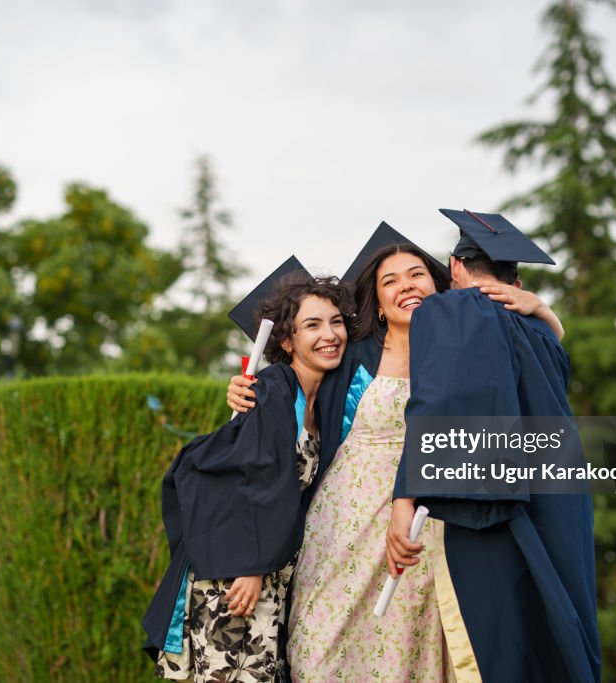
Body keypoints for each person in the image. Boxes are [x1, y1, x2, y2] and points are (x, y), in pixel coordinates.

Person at [227, 223, 564, 681]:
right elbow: (295, 373)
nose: (405, 285)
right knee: (318, 648)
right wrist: (247, 388)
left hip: (421, 527)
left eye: (416, 274)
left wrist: (542, 310)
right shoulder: (354, 353)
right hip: (342, 525)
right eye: (390, 281)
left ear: (439, 284)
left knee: (407, 655)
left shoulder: (465, 346)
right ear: (379, 303)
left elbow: (535, 368)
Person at [386, 209, 602, 683]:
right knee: (557, 621)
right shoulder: (540, 328)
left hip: (498, 500)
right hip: (561, 494)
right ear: (516, 280)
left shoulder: (450, 311)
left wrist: (405, 497)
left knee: (500, 638)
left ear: (454, 266)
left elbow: (439, 405)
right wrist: (542, 307)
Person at [142, 273, 353, 683]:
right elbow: (248, 482)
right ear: (287, 341)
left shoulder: (319, 404)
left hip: (265, 572)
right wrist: (251, 565)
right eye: (312, 325)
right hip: (239, 575)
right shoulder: (273, 389)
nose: (329, 334)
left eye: (336, 321)